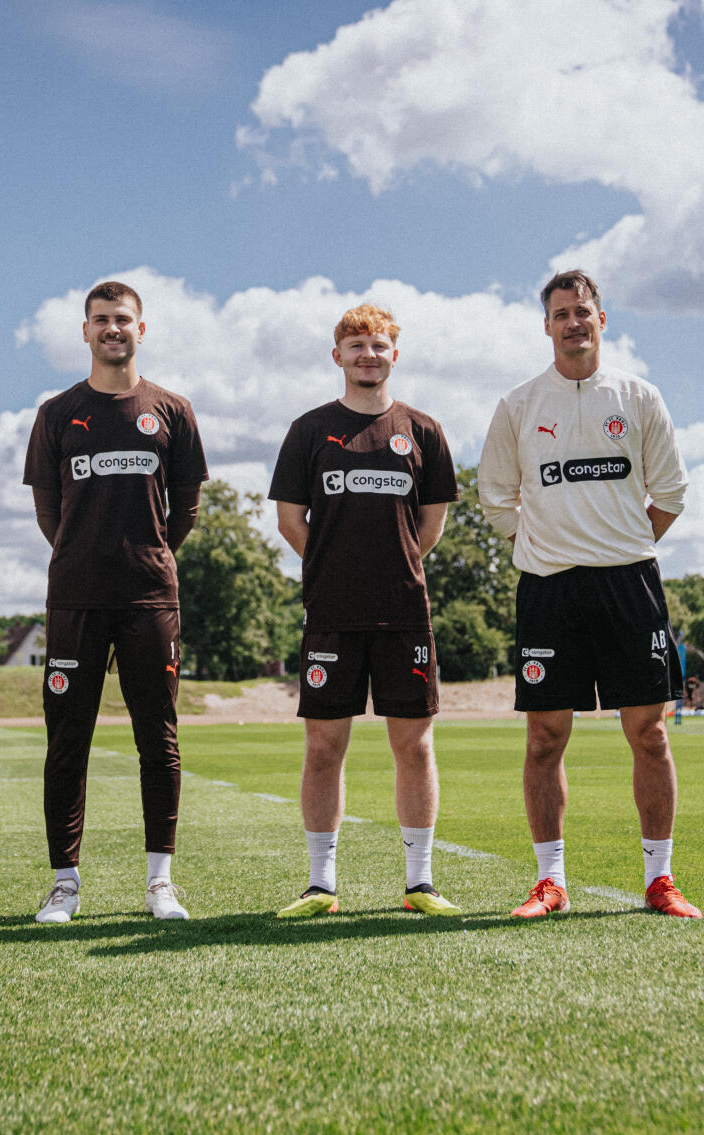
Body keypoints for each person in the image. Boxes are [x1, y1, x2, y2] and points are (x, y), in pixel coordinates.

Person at [478, 269, 700, 919]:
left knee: (650, 733)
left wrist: (620, 540)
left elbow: (672, 494)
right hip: (548, 589)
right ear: (545, 326)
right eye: (561, 313)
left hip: (629, 582)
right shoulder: (519, 405)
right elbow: (495, 499)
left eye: (583, 311)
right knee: (545, 736)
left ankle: (660, 879)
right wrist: (547, 542)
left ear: (603, 320)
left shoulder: (638, 396)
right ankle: (550, 881)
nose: (573, 321)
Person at [22, 281, 208, 922]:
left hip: (150, 597)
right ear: (85, 331)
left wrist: (145, 553)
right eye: (101, 320)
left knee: (158, 740)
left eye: (122, 319)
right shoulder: (55, 414)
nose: (112, 329)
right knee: (66, 741)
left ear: (140, 329)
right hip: (74, 598)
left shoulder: (173, 411)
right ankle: (65, 884)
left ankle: (160, 881)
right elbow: (49, 510)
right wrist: (83, 553)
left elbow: (183, 508)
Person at [267, 304, 461, 919]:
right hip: (331, 613)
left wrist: (391, 563)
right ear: (338, 356)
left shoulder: (423, 431)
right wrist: (332, 564)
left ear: (394, 355)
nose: (367, 355)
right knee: (324, 747)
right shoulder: (308, 431)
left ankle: (419, 883)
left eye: (378, 345)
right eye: (355, 346)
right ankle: (321, 884)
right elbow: (290, 521)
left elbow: (431, 525)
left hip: (404, 611)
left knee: (415, 746)